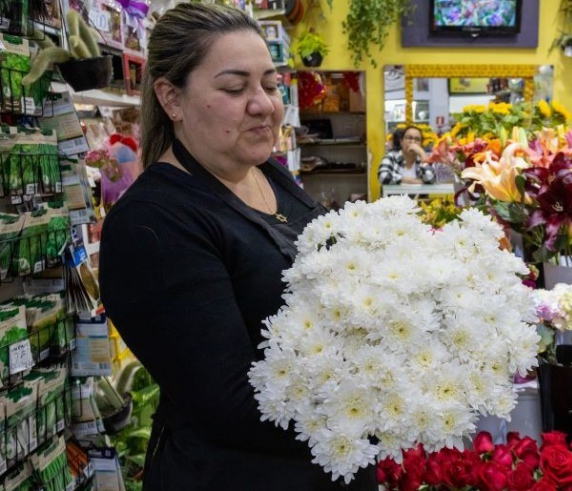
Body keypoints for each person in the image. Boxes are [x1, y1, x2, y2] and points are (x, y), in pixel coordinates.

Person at [98, 4, 377, 490]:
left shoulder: (267, 172)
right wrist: (388, 396)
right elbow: (234, 404)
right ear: (172, 99)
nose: (264, 104)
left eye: (269, 84)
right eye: (234, 87)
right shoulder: (153, 224)